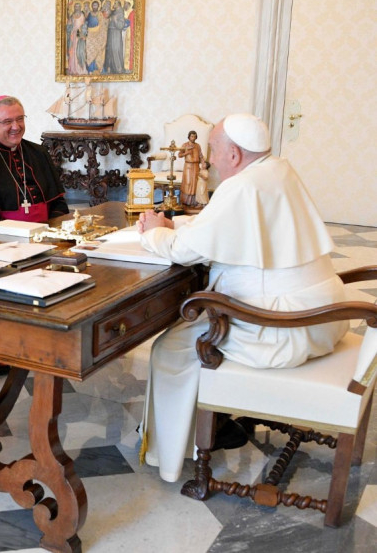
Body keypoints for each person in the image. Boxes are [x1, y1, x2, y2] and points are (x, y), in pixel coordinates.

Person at [136, 113, 348, 483]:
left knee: (170, 348)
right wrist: (178, 228)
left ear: (234, 154)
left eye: (214, 151)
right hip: (324, 316)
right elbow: (229, 229)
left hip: (282, 329)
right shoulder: (278, 169)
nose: (209, 161)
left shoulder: (241, 187)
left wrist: (154, 232)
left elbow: (183, 251)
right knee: (191, 329)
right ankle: (213, 419)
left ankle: (175, 449)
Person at [0, 96, 69, 236]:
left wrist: (51, 230)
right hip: (4, 239)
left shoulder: (39, 153)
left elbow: (58, 201)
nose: (16, 127)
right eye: (8, 121)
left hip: (48, 233)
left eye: (20, 119)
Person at [178, 130, 204, 207]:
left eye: (195, 136)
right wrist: (186, 153)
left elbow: (201, 156)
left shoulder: (198, 146)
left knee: (195, 183)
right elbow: (179, 155)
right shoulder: (185, 145)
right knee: (188, 182)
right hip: (188, 166)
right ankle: (185, 201)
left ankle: (194, 201)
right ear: (189, 137)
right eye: (192, 136)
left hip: (196, 166)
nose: (193, 138)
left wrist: (203, 163)